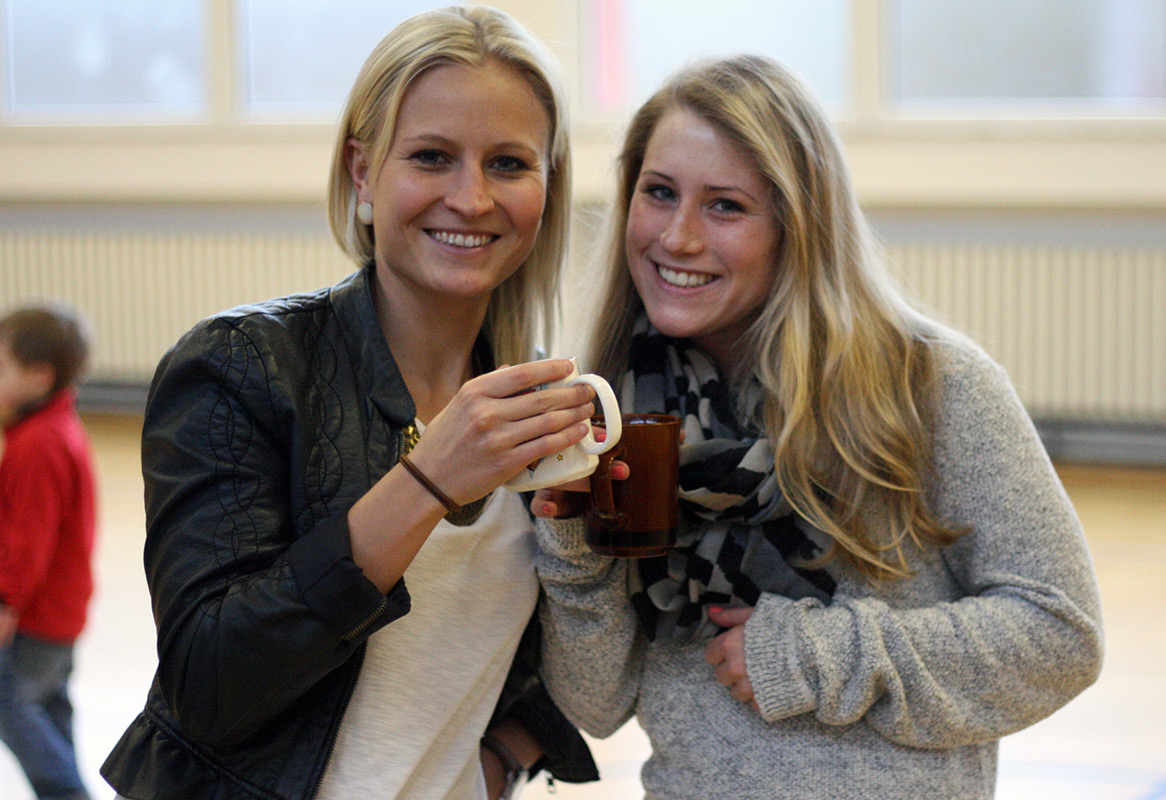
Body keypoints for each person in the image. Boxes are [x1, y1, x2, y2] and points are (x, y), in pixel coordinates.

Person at [532, 55, 1104, 800]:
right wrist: (574, 543)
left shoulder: (928, 384)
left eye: (725, 206)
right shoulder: (613, 409)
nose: (676, 237)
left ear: (798, 226)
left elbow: (1061, 636)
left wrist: (814, 653)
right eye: (660, 193)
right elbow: (596, 704)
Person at [101, 6, 600, 800]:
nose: (471, 199)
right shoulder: (242, 365)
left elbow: (577, 657)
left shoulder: (537, 403)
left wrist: (501, 756)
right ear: (364, 173)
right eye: (432, 157)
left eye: (508, 164)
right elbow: (209, 684)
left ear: (549, 185)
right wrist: (426, 482)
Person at [0, 303, 97, 800]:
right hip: (60, 615)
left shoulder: (37, 446)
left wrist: (4, 601)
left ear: (38, 377)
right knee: (48, 707)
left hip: (35, 617)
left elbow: (26, 542)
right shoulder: (54, 429)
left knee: (11, 705)